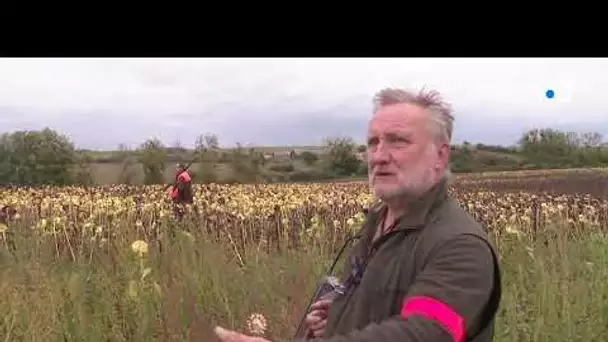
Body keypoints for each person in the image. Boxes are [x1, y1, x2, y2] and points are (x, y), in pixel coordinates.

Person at [214, 87, 502, 342]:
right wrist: (337, 315)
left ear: (440, 156)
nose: (378, 156)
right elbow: (378, 306)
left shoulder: (460, 245)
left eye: (397, 141)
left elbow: (424, 332)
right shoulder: (378, 222)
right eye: (373, 143)